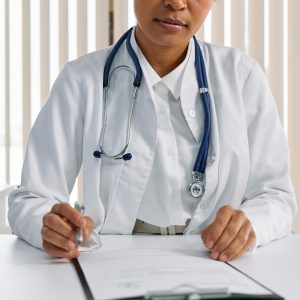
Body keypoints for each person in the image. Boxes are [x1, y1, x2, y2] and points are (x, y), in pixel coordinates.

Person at [8, 0, 296, 262]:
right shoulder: (81, 79)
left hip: (215, 260)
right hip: (110, 260)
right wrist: (47, 224)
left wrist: (249, 225)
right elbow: (31, 199)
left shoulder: (241, 76)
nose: (176, 3)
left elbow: (276, 197)